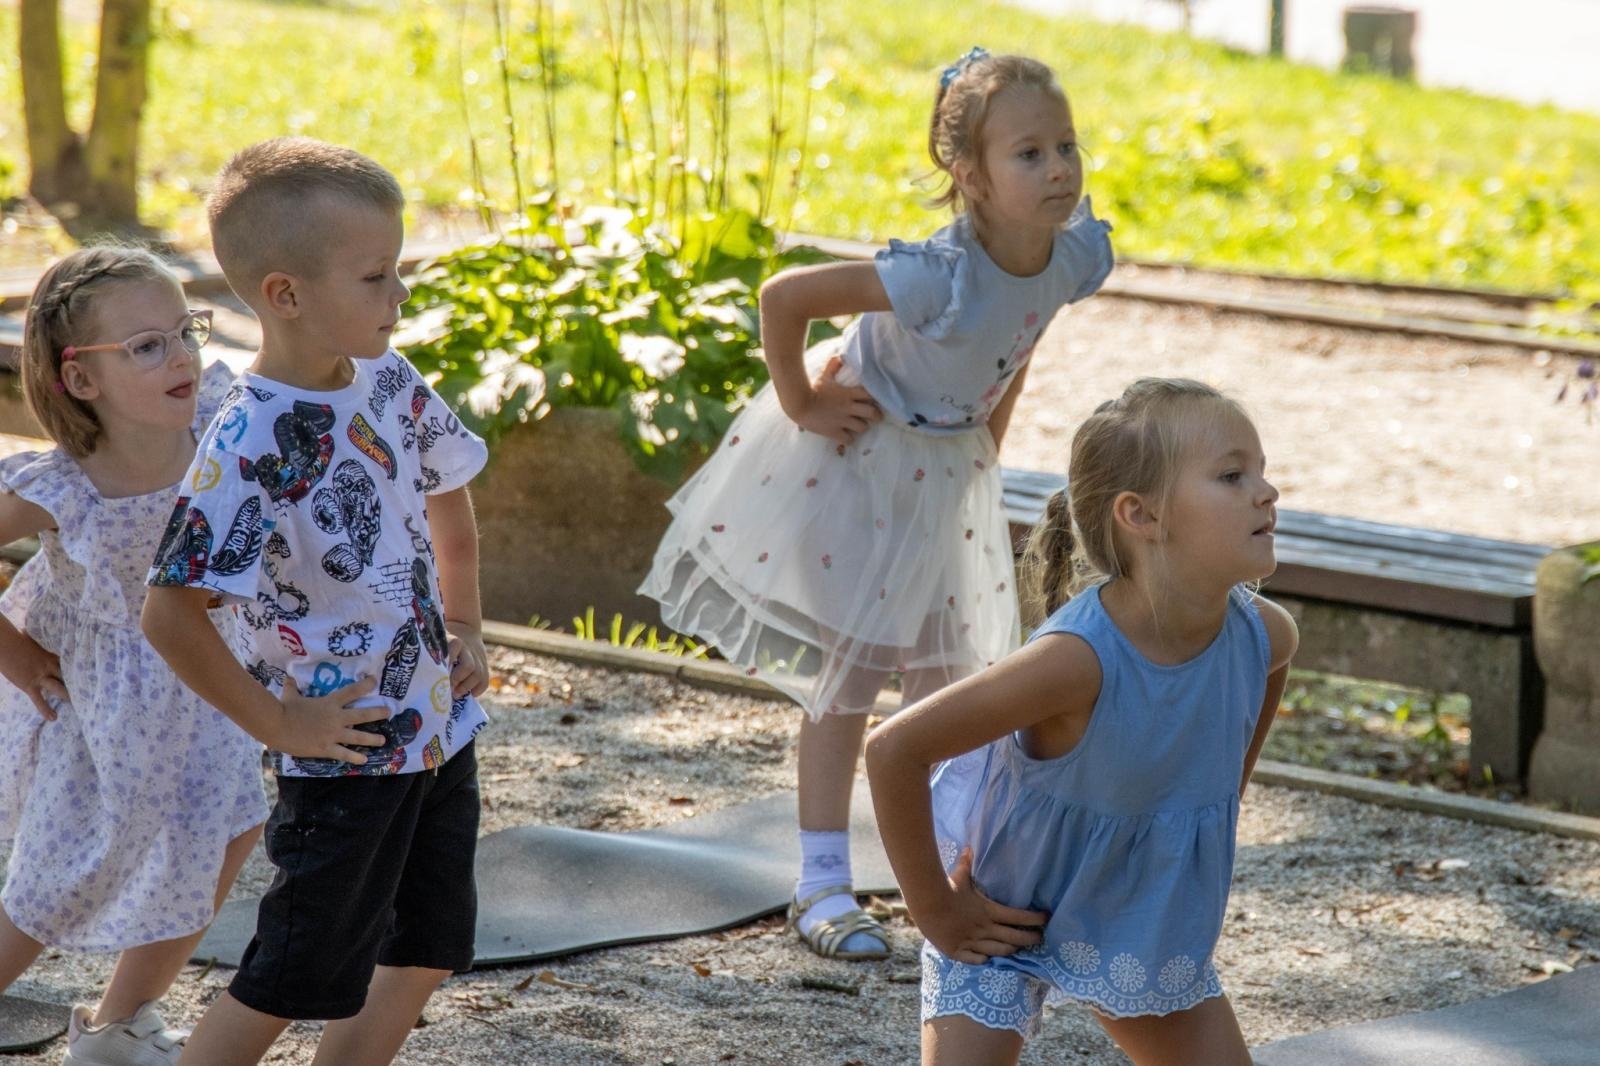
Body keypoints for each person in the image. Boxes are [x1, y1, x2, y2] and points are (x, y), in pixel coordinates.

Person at [640, 48, 1114, 959]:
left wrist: (987, 443)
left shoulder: (1069, 255)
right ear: (967, 175)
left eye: (1066, 145)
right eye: (1029, 154)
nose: (1059, 169)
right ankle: (820, 882)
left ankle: (932, 873)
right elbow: (785, 298)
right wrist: (803, 402)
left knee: (949, 680)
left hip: (946, 464)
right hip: (858, 458)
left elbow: (1015, 347)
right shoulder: (937, 274)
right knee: (852, 676)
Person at [141, 137, 491, 1066]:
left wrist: (464, 622)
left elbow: (448, 488)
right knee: (294, 974)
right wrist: (281, 724)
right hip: (347, 748)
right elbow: (170, 611)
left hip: (439, 724)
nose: (400, 295)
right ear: (284, 294)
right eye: (377, 276)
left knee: (425, 951)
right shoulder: (250, 442)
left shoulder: (390, 380)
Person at [865, 378, 1298, 1065]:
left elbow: (1266, 677)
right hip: (1006, 919)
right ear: (1143, 516)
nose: (1267, 492)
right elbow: (895, 750)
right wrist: (940, 914)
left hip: (1136, 917)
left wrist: (1218, 792)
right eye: (1232, 475)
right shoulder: (1076, 662)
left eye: (1263, 472)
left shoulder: (1263, 635)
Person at [0, 246, 267, 1065]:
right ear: (83, 380)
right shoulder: (69, 483)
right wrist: (10, 651)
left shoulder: (220, 414)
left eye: (184, 331)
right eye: (146, 347)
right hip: (104, 695)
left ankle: (118, 1025)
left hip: (204, 674)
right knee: (72, 868)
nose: (182, 355)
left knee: (228, 829)